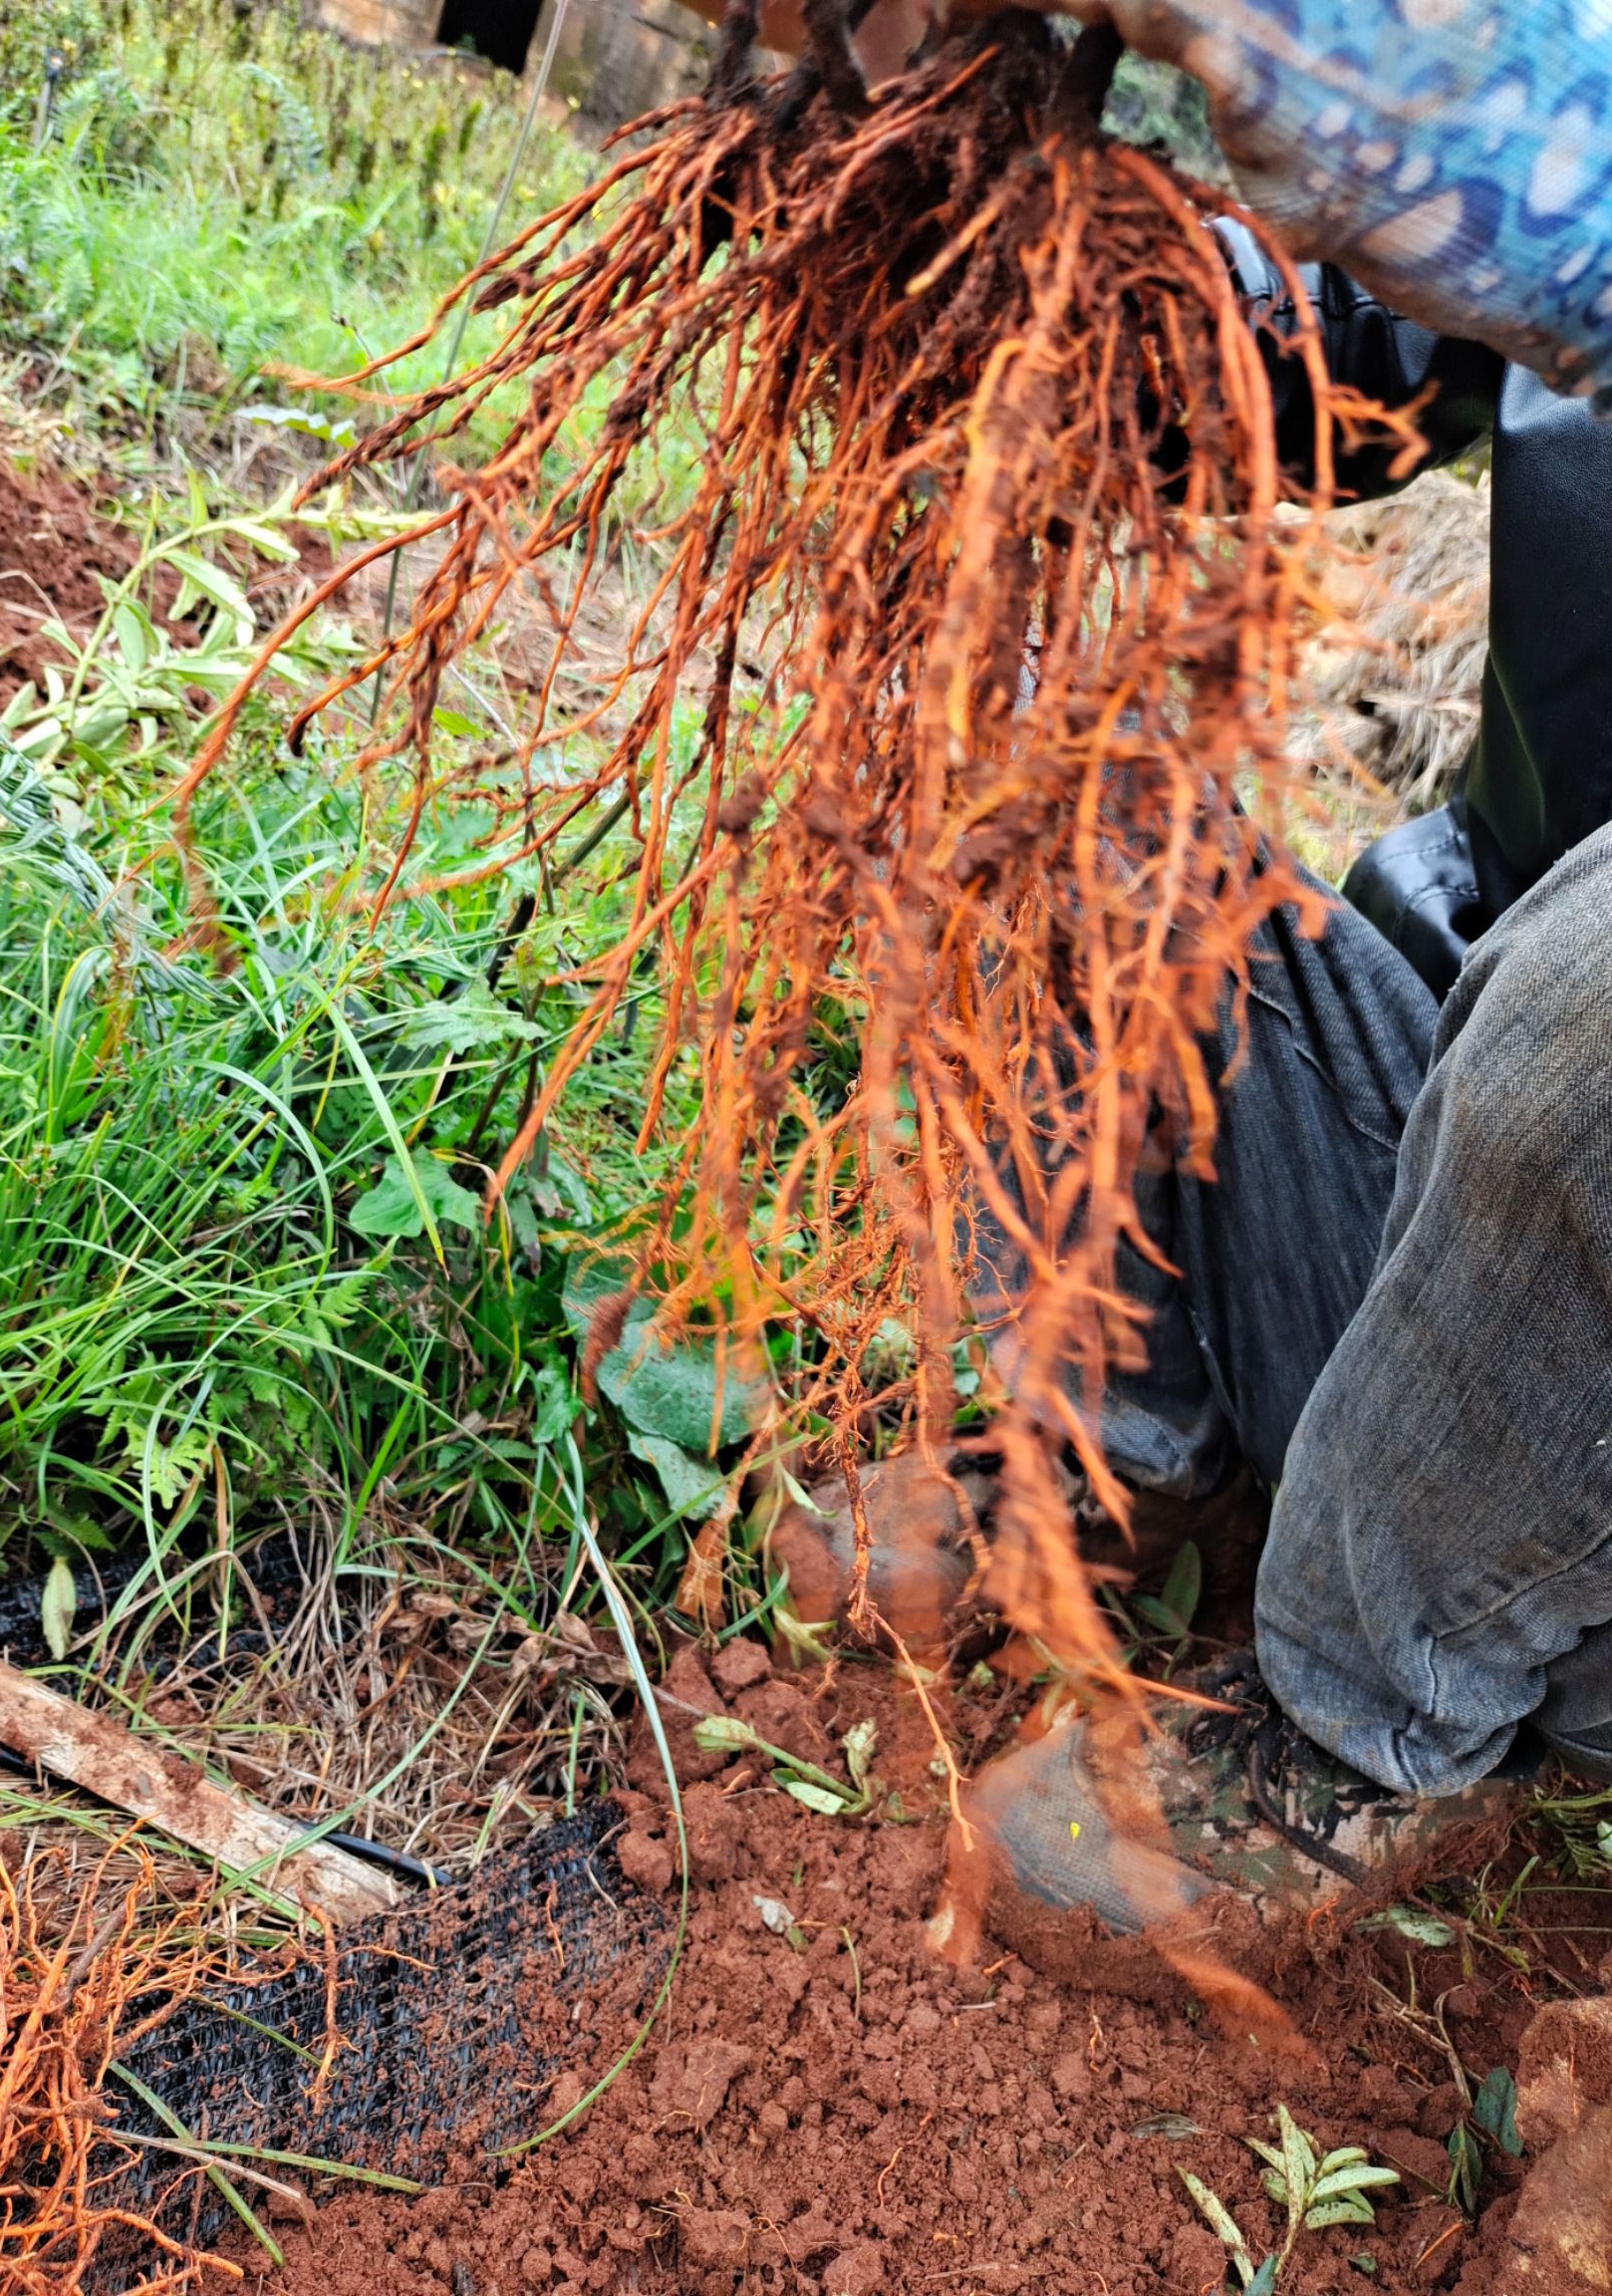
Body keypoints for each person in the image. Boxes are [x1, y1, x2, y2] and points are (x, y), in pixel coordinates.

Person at [679, 0, 1612, 1927]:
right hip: (1476, 1209)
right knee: (1066, 810)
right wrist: (964, 210)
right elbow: (1319, 349)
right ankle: (1131, 1454)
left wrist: (1332, 41)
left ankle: (1366, 1718)